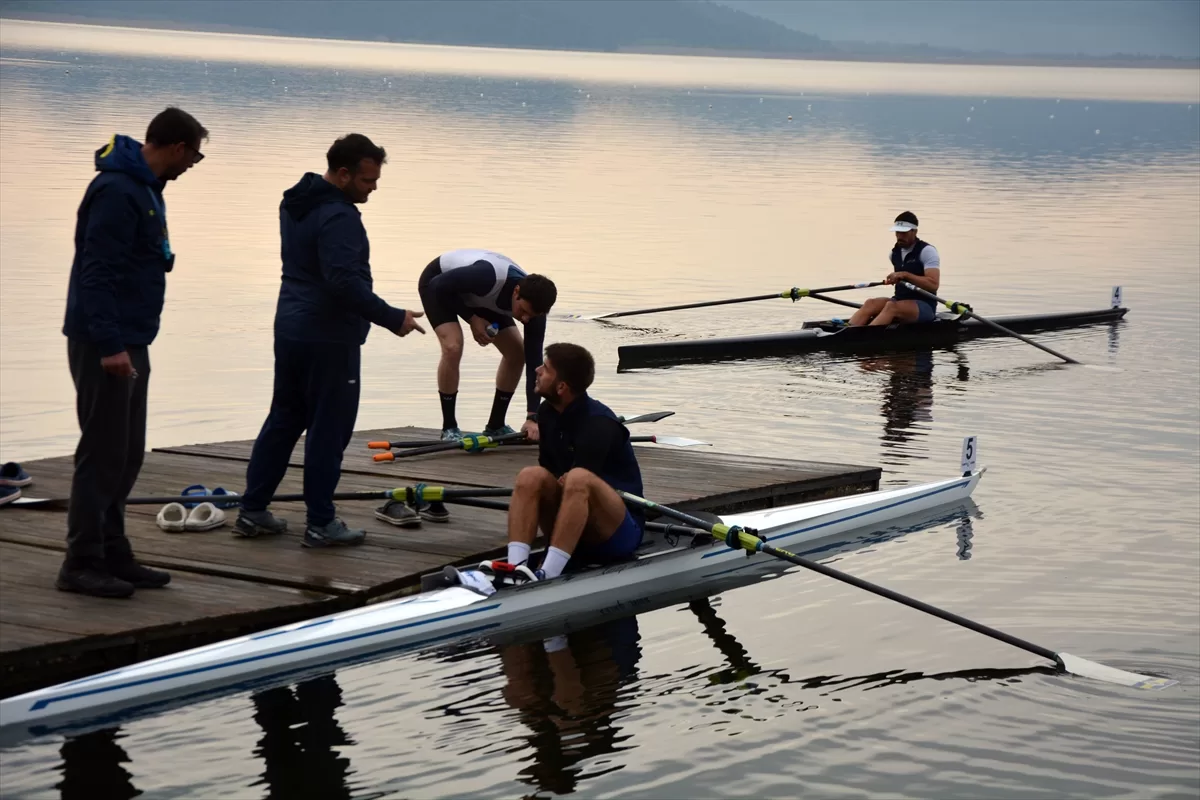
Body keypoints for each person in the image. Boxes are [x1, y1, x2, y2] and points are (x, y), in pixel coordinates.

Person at [235, 134, 424, 547]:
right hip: (328, 337)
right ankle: (321, 522)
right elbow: (343, 284)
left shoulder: (295, 203)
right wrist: (394, 318)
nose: (373, 188)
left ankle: (252, 511)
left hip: (290, 328)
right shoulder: (340, 217)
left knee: (283, 418)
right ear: (342, 174)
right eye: (367, 180)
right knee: (329, 429)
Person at [59, 107, 209, 598]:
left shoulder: (143, 188)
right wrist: (109, 345)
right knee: (102, 452)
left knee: (125, 453)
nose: (192, 165)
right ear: (178, 148)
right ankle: (81, 563)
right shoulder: (118, 191)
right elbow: (96, 272)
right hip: (107, 343)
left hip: (131, 339)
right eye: (195, 155)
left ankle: (113, 552)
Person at [483, 343, 644, 583]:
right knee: (530, 476)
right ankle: (516, 569)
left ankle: (548, 574)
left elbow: (577, 484)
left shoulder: (599, 424)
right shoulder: (547, 414)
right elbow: (550, 479)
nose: (536, 370)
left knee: (578, 478)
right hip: (573, 526)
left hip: (617, 533)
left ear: (562, 387)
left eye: (545, 369)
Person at [418, 249, 557, 443]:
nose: (525, 319)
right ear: (516, 292)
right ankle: (449, 427)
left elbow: (535, 362)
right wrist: (473, 319)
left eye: (531, 316)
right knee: (453, 346)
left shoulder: (534, 313)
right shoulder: (487, 277)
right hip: (438, 283)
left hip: (479, 297)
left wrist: (532, 417)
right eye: (523, 311)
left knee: (517, 354)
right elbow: (436, 286)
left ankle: (496, 426)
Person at [848, 211, 941, 327]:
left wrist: (905, 275)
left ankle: (864, 338)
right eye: (897, 232)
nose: (900, 236)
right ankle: (846, 332)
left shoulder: (927, 251)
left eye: (904, 233)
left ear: (915, 231)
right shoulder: (894, 254)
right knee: (870, 303)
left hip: (924, 306)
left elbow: (933, 284)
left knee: (891, 307)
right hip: (899, 301)